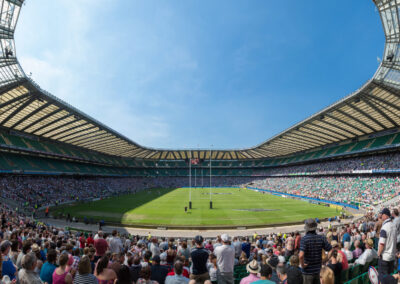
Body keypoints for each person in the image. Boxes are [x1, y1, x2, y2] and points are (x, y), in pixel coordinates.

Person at [299, 218, 332, 284]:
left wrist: (302, 265)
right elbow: (331, 250)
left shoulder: (304, 239)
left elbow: (301, 256)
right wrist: (325, 259)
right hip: (317, 271)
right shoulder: (321, 238)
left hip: (307, 272)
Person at [378, 208, 397, 281]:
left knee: (384, 279)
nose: (381, 216)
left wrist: (379, 253)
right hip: (392, 256)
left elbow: (382, 243)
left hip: (385, 257)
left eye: (382, 215)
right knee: (390, 279)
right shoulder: (393, 226)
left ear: (385, 215)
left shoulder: (385, 227)